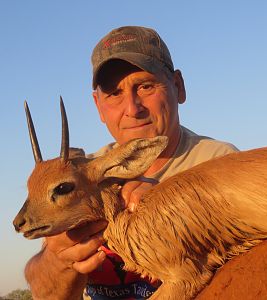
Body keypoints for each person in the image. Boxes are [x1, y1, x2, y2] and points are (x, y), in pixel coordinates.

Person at [25, 26, 238, 299]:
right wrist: (57, 260)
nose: (132, 108)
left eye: (146, 86)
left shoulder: (218, 161)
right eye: (114, 93)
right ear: (98, 106)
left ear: (178, 87)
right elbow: (43, 288)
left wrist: (173, 206)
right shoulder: (75, 180)